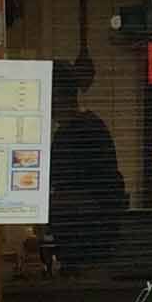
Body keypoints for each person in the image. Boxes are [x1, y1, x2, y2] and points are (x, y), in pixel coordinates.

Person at [49, 59, 128, 276]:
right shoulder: (86, 128)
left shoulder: (78, 133)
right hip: (85, 248)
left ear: (55, 95)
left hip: (87, 250)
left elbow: (89, 195)